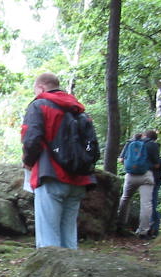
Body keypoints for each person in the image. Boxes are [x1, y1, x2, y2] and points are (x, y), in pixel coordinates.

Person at [21, 72, 95, 249]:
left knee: (48, 235)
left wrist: (28, 161)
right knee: (69, 234)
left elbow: (32, 139)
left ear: (41, 87)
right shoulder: (79, 111)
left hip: (51, 174)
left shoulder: (39, 105)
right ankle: (71, 273)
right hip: (79, 178)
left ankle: (49, 274)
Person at [117, 129, 161, 239]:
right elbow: (156, 165)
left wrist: (132, 165)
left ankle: (120, 225)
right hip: (146, 175)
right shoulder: (153, 145)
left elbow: (121, 160)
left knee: (125, 199)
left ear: (144, 135)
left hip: (130, 176)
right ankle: (143, 232)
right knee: (146, 204)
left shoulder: (130, 142)